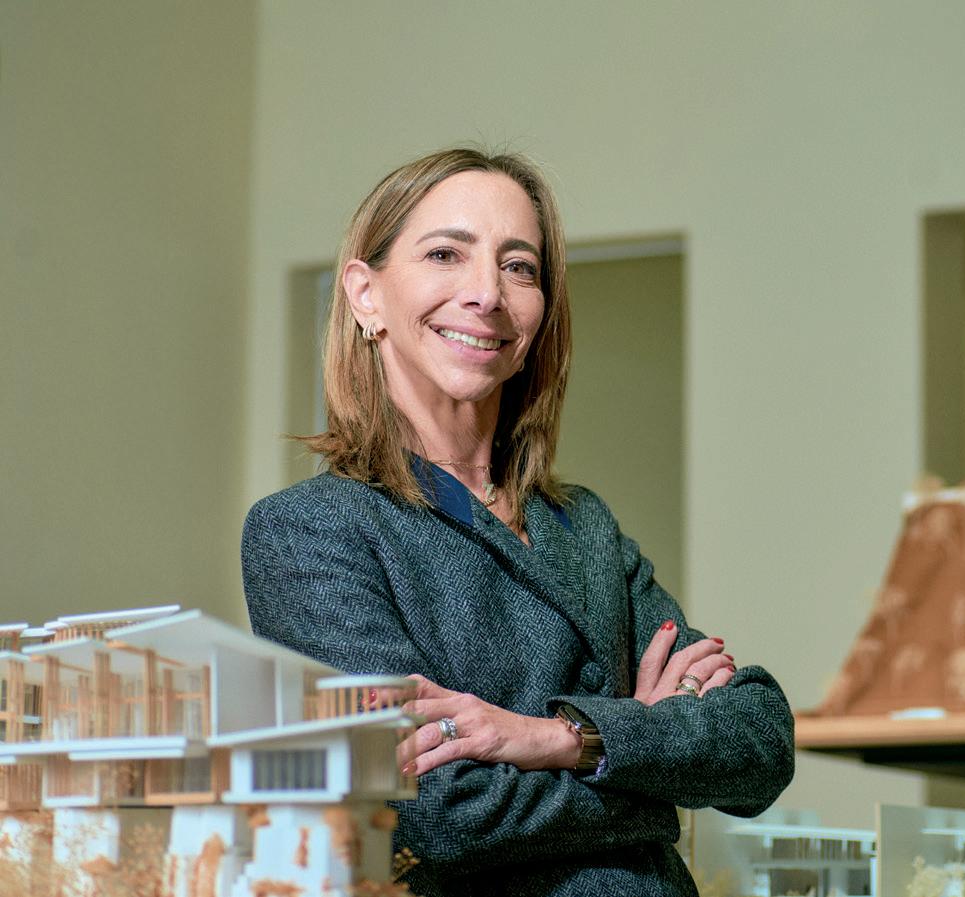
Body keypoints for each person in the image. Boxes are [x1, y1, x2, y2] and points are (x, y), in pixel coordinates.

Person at [241, 147, 795, 896]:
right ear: (366, 295)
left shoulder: (583, 525)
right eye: (445, 254)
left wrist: (554, 738)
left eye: (519, 267)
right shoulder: (310, 531)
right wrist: (652, 771)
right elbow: (432, 816)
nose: (486, 294)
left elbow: (761, 741)